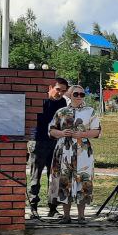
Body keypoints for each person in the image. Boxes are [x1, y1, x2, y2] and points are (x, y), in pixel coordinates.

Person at [48, 86, 102, 224]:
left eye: (82, 94)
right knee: (64, 180)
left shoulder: (90, 111)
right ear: (70, 95)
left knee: (82, 180)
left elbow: (97, 131)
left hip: (82, 150)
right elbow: (51, 130)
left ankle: (81, 217)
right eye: (76, 94)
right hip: (64, 150)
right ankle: (66, 216)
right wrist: (61, 133)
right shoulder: (61, 112)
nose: (79, 96)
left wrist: (83, 134)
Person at [29, 77, 69, 219]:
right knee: (35, 177)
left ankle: (53, 207)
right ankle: (33, 207)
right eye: (58, 90)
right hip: (39, 141)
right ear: (50, 87)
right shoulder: (41, 100)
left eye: (64, 91)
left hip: (55, 143)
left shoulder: (63, 102)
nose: (60, 93)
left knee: (54, 177)